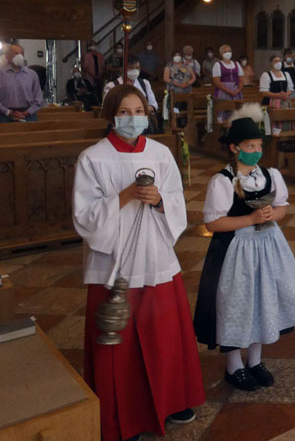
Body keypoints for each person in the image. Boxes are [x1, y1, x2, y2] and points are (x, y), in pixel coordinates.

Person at [73, 85, 204, 441]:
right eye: (125, 112)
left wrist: (161, 201)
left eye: (139, 111)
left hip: (156, 254)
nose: (133, 118)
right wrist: (125, 196)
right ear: (111, 116)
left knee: (164, 334)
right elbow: (84, 217)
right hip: (115, 261)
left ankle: (172, 400)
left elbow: (177, 200)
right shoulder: (93, 158)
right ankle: (123, 413)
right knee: (122, 341)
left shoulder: (161, 154)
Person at [193, 105, 295, 391]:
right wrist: (250, 218)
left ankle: (255, 360)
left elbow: (282, 206)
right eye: (250, 146)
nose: (256, 151)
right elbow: (214, 223)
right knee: (236, 305)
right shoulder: (223, 181)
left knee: (262, 301)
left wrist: (273, 215)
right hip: (235, 251)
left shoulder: (269, 175)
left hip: (267, 248)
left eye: (259, 145)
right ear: (235, 148)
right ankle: (234, 365)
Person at [0, 44, 43, 123]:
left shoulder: (32, 74)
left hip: (29, 115)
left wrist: (28, 112)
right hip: (5, 115)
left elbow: (38, 98)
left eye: (21, 53)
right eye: (16, 53)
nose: (20, 56)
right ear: (7, 56)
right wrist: (8, 112)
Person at [259, 55, 293, 133]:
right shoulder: (266, 75)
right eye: (276, 61)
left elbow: (291, 88)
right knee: (267, 126)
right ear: (271, 63)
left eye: (279, 61)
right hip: (268, 103)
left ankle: (284, 140)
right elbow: (263, 92)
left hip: (284, 103)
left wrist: (286, 94)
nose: (278, 63)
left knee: (284, 123)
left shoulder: (286, 74)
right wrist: (278, 95)